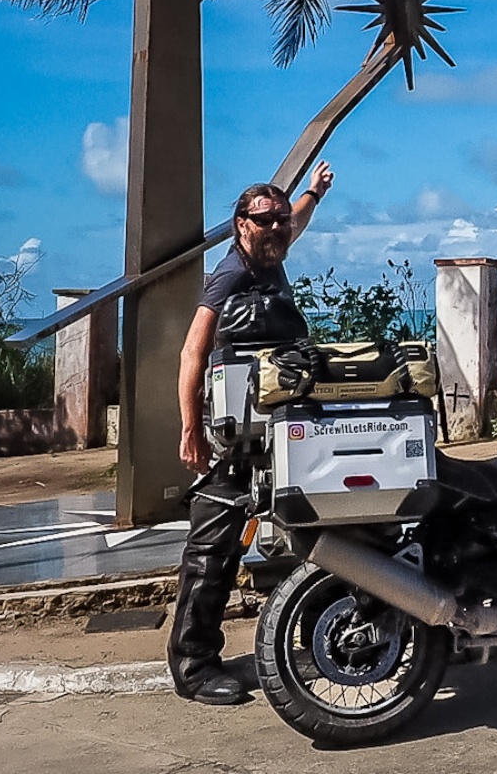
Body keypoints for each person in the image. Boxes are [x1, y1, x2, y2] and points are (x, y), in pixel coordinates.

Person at [167, 161, 334, 706]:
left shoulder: (274, 255)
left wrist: (312, 194)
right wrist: (190, 427)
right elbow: (194, 349)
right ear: (241, 224)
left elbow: (299, 218)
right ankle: (192, 667)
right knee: (213, 547)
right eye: (265, 222)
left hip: (272, 428)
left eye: (281, 221)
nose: (278, 229)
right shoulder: (231, 273)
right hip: (232, 433)